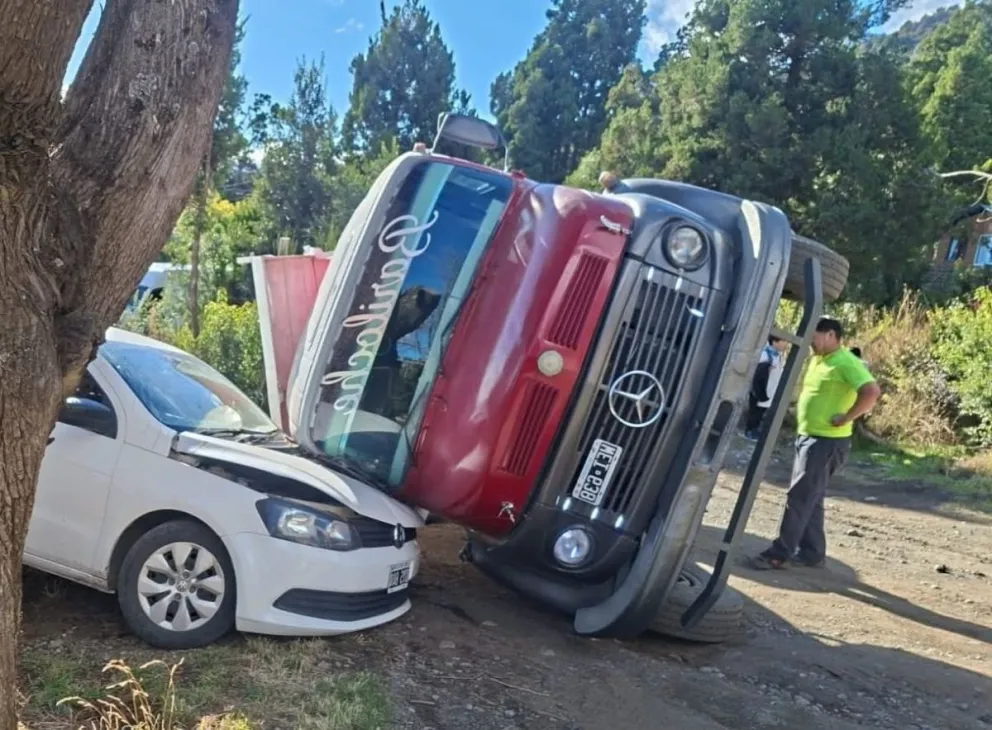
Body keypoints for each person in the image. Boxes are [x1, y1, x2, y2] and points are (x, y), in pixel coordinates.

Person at [749, 318, 880, 570]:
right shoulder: (819, 359)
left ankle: (779, 553)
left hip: (826, 443)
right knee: (811, 496)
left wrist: (847, 417)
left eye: (815, 336)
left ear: (831, 334)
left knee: (799, 496)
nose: (811, 341)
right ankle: (812, 552)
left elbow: (871, 392)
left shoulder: (846, 362)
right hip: (809, 437)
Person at [745, 336, 788, 441]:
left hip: (770, 389)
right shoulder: (764, 354)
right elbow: (756, 372)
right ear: (774, 342)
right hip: (760, 389)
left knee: (761, 411)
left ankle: (755, 430)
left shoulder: (778, 356)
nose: (786, 344)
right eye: (784, 341)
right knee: (755, 411)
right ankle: (750, 431)